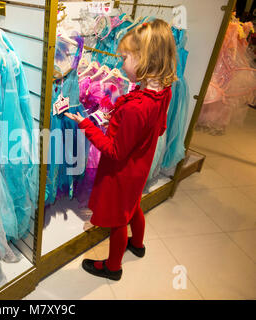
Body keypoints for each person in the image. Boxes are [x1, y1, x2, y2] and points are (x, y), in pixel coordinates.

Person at [65, 19, 177, 281]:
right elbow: (158, 128)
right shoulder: (163, 93)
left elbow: (114, 151)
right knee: (134, 207)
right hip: (140, 167)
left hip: (122, 174)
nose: (121, 63)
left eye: (125, 57)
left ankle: (112, 267)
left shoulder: (134, 107)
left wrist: (87, 125)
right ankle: (137, 244)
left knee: (117, 221)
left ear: (144, 60)